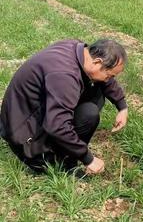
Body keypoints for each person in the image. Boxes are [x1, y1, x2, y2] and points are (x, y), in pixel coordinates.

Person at [0, 39, 128, 176]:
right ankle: (64, 163)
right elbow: (57, 126)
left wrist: (122, 106)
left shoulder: (77, 49)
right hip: (25, 136)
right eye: (109, 76)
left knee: (97, 90)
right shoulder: (65, 75)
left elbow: (106, 80)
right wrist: (88, 159)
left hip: (30, 114)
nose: (108, 79)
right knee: (88, 113)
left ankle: (66, 148)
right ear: (97, 62)